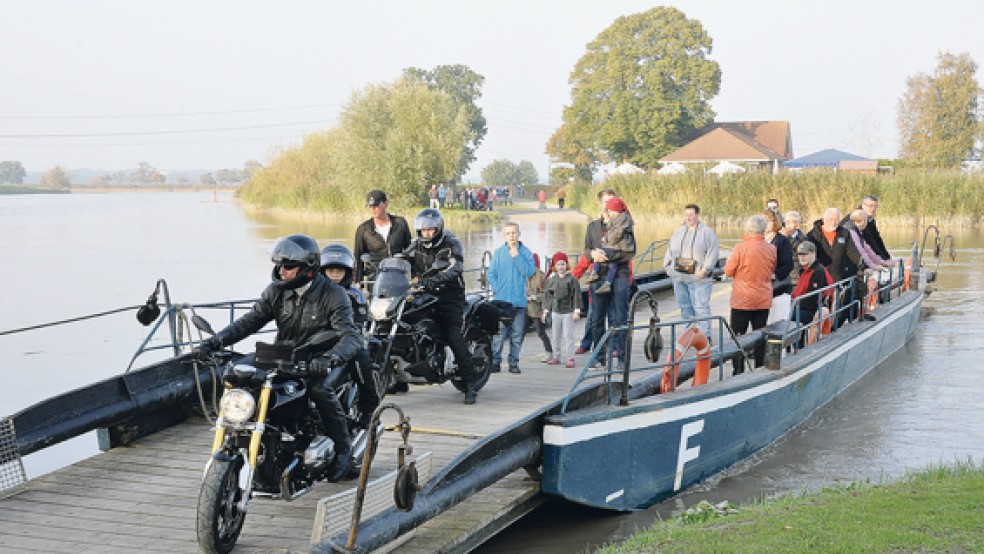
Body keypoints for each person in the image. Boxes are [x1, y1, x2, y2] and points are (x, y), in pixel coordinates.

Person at [195, 234, 362, 481]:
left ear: (307, 268)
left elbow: (351, 336)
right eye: (280, 265)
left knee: (319, 390)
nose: (281, 271)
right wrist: (214, 342)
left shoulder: (333, 294)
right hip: (285, 355)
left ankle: (343, 450)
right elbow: (249, 322)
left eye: (288, 266)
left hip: (321, 357)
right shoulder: (275, 291)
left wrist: (329, 358)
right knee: (240, 375)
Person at [401, 208, 481, 404]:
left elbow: (456, 266)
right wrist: (385, 269)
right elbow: (401, 260)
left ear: (438, 229)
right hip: (424, 294)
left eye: (430, 229)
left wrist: (434, 279)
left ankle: (470, 383)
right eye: (423, 230)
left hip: (449, 296)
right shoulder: (415, 244)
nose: (427, 233)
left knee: (453, 334)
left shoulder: (451, 243)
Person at [320, 243, 381, 430]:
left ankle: (369, 409)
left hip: (348, 341)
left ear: (347, 272)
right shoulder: (316, 293)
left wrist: (349, 335)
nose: (335, 275)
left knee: (362, 363)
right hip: (318, 341)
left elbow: (360, 321)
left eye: (339, 271)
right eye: (331, 270)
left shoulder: (355, 294)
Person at [585, 189, 635, 367]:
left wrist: (607, 257)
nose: (607, 206)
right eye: (605, 202)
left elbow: (630, 251)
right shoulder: (592, 226)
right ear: (600, 203)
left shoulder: (623, 224)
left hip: (620, 275)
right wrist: (593, 255)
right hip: (599, 276)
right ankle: (599, 357)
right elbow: (586, 250)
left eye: (611, 202)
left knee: (620, 318)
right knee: (597, 319)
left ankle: (622, 358)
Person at [724, 216, 777, 369]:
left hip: (742, 298)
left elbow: (728, 271)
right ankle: (760, 366)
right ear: (763, 229)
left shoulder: (740, 248)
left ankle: (738, 368)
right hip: (762, 298)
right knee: (760, 334)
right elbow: (772, 268)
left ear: (748, 229)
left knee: (738, 336)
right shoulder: (771, 249)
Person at [664, 203, 720, 337]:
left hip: (699, 278)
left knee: (701, 307)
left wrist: (705, 270)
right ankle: (688, 335)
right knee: (685, 308)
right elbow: (670, 250)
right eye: (686, 215)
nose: (689, 218)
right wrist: (667, 266)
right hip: (679, 277)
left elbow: (713, 252)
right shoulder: (679, 231)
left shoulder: (707, 232)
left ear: (697, 215)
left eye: (691, 215)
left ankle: (705, 336)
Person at [488, 221, 536, 374]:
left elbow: (530, 272)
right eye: (508, 233)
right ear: (504, 235)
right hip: (502, 302)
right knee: (499, 335)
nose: (511, 236)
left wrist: (517, 257)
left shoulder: (526, 252)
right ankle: (495, 361)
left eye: (514, 233)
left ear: (519, 234)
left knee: (517, 335)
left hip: (518, 302)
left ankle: (513, 362)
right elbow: (491, 273)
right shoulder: (498, 253)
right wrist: (497, 289)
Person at [807, 207, 863, 323]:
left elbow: (853, 253)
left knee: (840, 309)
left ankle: (837, 325)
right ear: (824, 219)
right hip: (821, 280)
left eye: (836, 219)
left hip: (839, 278)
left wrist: (863, 266)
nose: (834, 222)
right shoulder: (812, 235)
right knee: (820, 311)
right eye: (831, 219)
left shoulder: (844, 233)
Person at [353, 189, 413, 286]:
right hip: (375, 280)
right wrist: (358, 283)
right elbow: (358, 259)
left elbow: (410, 250)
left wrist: (413, 276)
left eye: (376, 206)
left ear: (385, 204)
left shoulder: (400, 223)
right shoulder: (363, 229)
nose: (373, 210)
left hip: (399, 277)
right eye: (370, 207)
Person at [586, 196, 635, 296]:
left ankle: (596, 273)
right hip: (616, 247)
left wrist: (607, 238)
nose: (610, 213)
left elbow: (617, 233)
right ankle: (605, 281)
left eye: (612, 211)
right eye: (609, 211)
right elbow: (611, 229)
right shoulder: (594, 225)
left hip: (620, 248)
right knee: (608, 259)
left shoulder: (624, 218)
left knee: (603, 252)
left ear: (617, 209)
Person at [790, 241, 834, 347]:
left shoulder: (818, 271)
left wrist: (794, 305)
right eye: (800, 255)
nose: (802, 257)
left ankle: (797, 347)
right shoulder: (805, 270)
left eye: (805, 254)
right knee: (790, 313)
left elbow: (812, 298)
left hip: (815, 310)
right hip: (805, 307)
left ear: (813, 254)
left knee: (792, 315)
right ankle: (795, 345)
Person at [542, 252, 582, 368]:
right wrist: (545, 311)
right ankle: (556, 356)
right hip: (556, 311)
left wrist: (576, 311)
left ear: (566, 265)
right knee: (555, 335)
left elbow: (576, 295)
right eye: (558, 264)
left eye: (563, 264)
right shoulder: (552, 280)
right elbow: (548, 297)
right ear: (555, 266)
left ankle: (570, 357)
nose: (561, 267)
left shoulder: (572, 280)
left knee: (568, 335)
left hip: (568, 311)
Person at [526, 253, 553, 363]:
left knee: (541, 332)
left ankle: (549, 351)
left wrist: (534, 297)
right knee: (519, 333)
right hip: (525, 309)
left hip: (537, 310)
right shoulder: (523, 276)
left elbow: (547, 295)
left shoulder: (541, 277)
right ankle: (513, 356)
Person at [763, 209, 794, 297]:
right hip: (760, 287)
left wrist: (774, 275)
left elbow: (788, 264)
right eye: (763, 221)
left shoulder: (782, 241)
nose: (765, 224)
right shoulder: (757, 241)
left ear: (775, 222)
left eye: (768, 221)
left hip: (779, 286)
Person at [859, 195, 891, 261]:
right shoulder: (859, 218)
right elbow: (870, 241)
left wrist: (887, 257)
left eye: (875, 206)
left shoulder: (870, 219)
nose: (873, 209)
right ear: (863, 205)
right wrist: (882, 260)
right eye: (870, 206)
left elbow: (877, 239)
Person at [781, 210, 808, 285]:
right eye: (786, 222)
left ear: (797, 224)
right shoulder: (780, 236)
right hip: (782, 276)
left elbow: (801, 250)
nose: (787, 225)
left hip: (795, 276)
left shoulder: (803, 238)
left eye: (790, 222)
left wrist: (789, 238)